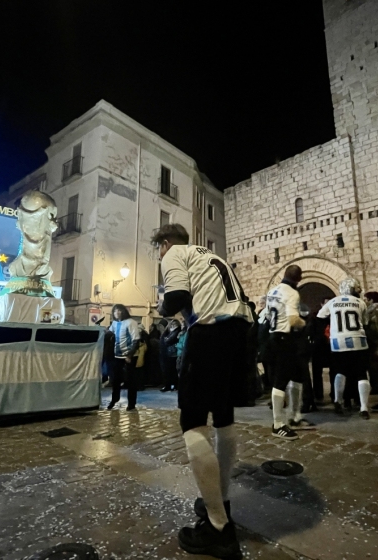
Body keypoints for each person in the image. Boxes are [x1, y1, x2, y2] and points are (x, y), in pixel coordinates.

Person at [152, 224, 253, 558]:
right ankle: (218, 501)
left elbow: (176, 299)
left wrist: (161, 308)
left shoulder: (174, 255)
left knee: (193, 421)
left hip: (211, 332)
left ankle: (218, 528)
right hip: (240, 329)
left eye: (159, 249)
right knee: (224, 416)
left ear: (165, 243)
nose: (160, 255)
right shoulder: (210, 255)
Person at [266, 265, 315, 439]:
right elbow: (293, 319)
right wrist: (305, 322)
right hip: (285, 338)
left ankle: (295, 417)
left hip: (274, 336)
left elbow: (268, 315)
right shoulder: (292, 293)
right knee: (281, 381)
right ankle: (278, 424)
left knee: (297, 376)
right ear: (298, 279)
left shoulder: (272, 291)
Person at [316, 278, 371, 418]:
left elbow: (320, 316)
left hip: (338, 342)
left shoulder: (332, 302)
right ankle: (364, 407)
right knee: (361, 373)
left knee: (340, 371)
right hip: (358, 340)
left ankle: (338, 401)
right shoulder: (360, 302)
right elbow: (365, 322)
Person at [107, 304, 141, 411]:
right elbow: (109, 334)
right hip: (117, 355)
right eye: (115, 311)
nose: (117, 313)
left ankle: (131, 403)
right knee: (115, 380)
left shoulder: (131, 322)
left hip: (129, 356)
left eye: (119, 311)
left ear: (123, 312)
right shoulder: (114, 323)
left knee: (130, 380)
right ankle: (114, 399)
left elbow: (136, 340)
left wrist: (130, 355)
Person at [160, 318, 182, 392]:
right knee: (171, 371)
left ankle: (170, 385)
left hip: (172, 353)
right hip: (171, 353)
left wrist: (166, 338)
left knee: (171, 371)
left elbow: (167, 341)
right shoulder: (173, 331)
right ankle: (172, 385)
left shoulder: (176, 331)